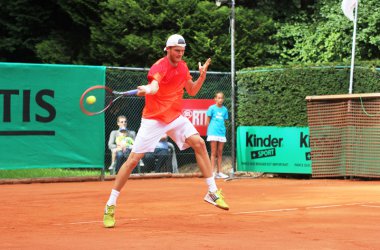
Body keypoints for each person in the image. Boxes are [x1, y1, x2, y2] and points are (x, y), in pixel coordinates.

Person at [103, 34, 229, 228]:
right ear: (167, 49)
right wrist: (149, 88)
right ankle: (110, 204)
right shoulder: (158, 67)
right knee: (132, 161)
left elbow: (193, 90)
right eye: (176, 51)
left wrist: (202, 76)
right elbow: (154, 85)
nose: (180, 54)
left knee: (199, 143)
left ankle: (212, 192)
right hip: (153, 119)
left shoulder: (184, 66)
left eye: (182, 51)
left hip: (175, 117)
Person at [206, 92, 229, 179]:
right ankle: (212, 172)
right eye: (218, 98)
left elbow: (224, 121)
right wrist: (210, 131)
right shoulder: (211, 108)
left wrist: (222, 129)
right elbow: (207, 121)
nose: (220, 100)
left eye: (221, 98)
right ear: (215, 99)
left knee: (220, 153)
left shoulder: (225, 110)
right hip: (213, 132)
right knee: (213, 152)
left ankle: (219, 172)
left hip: (221, 133)